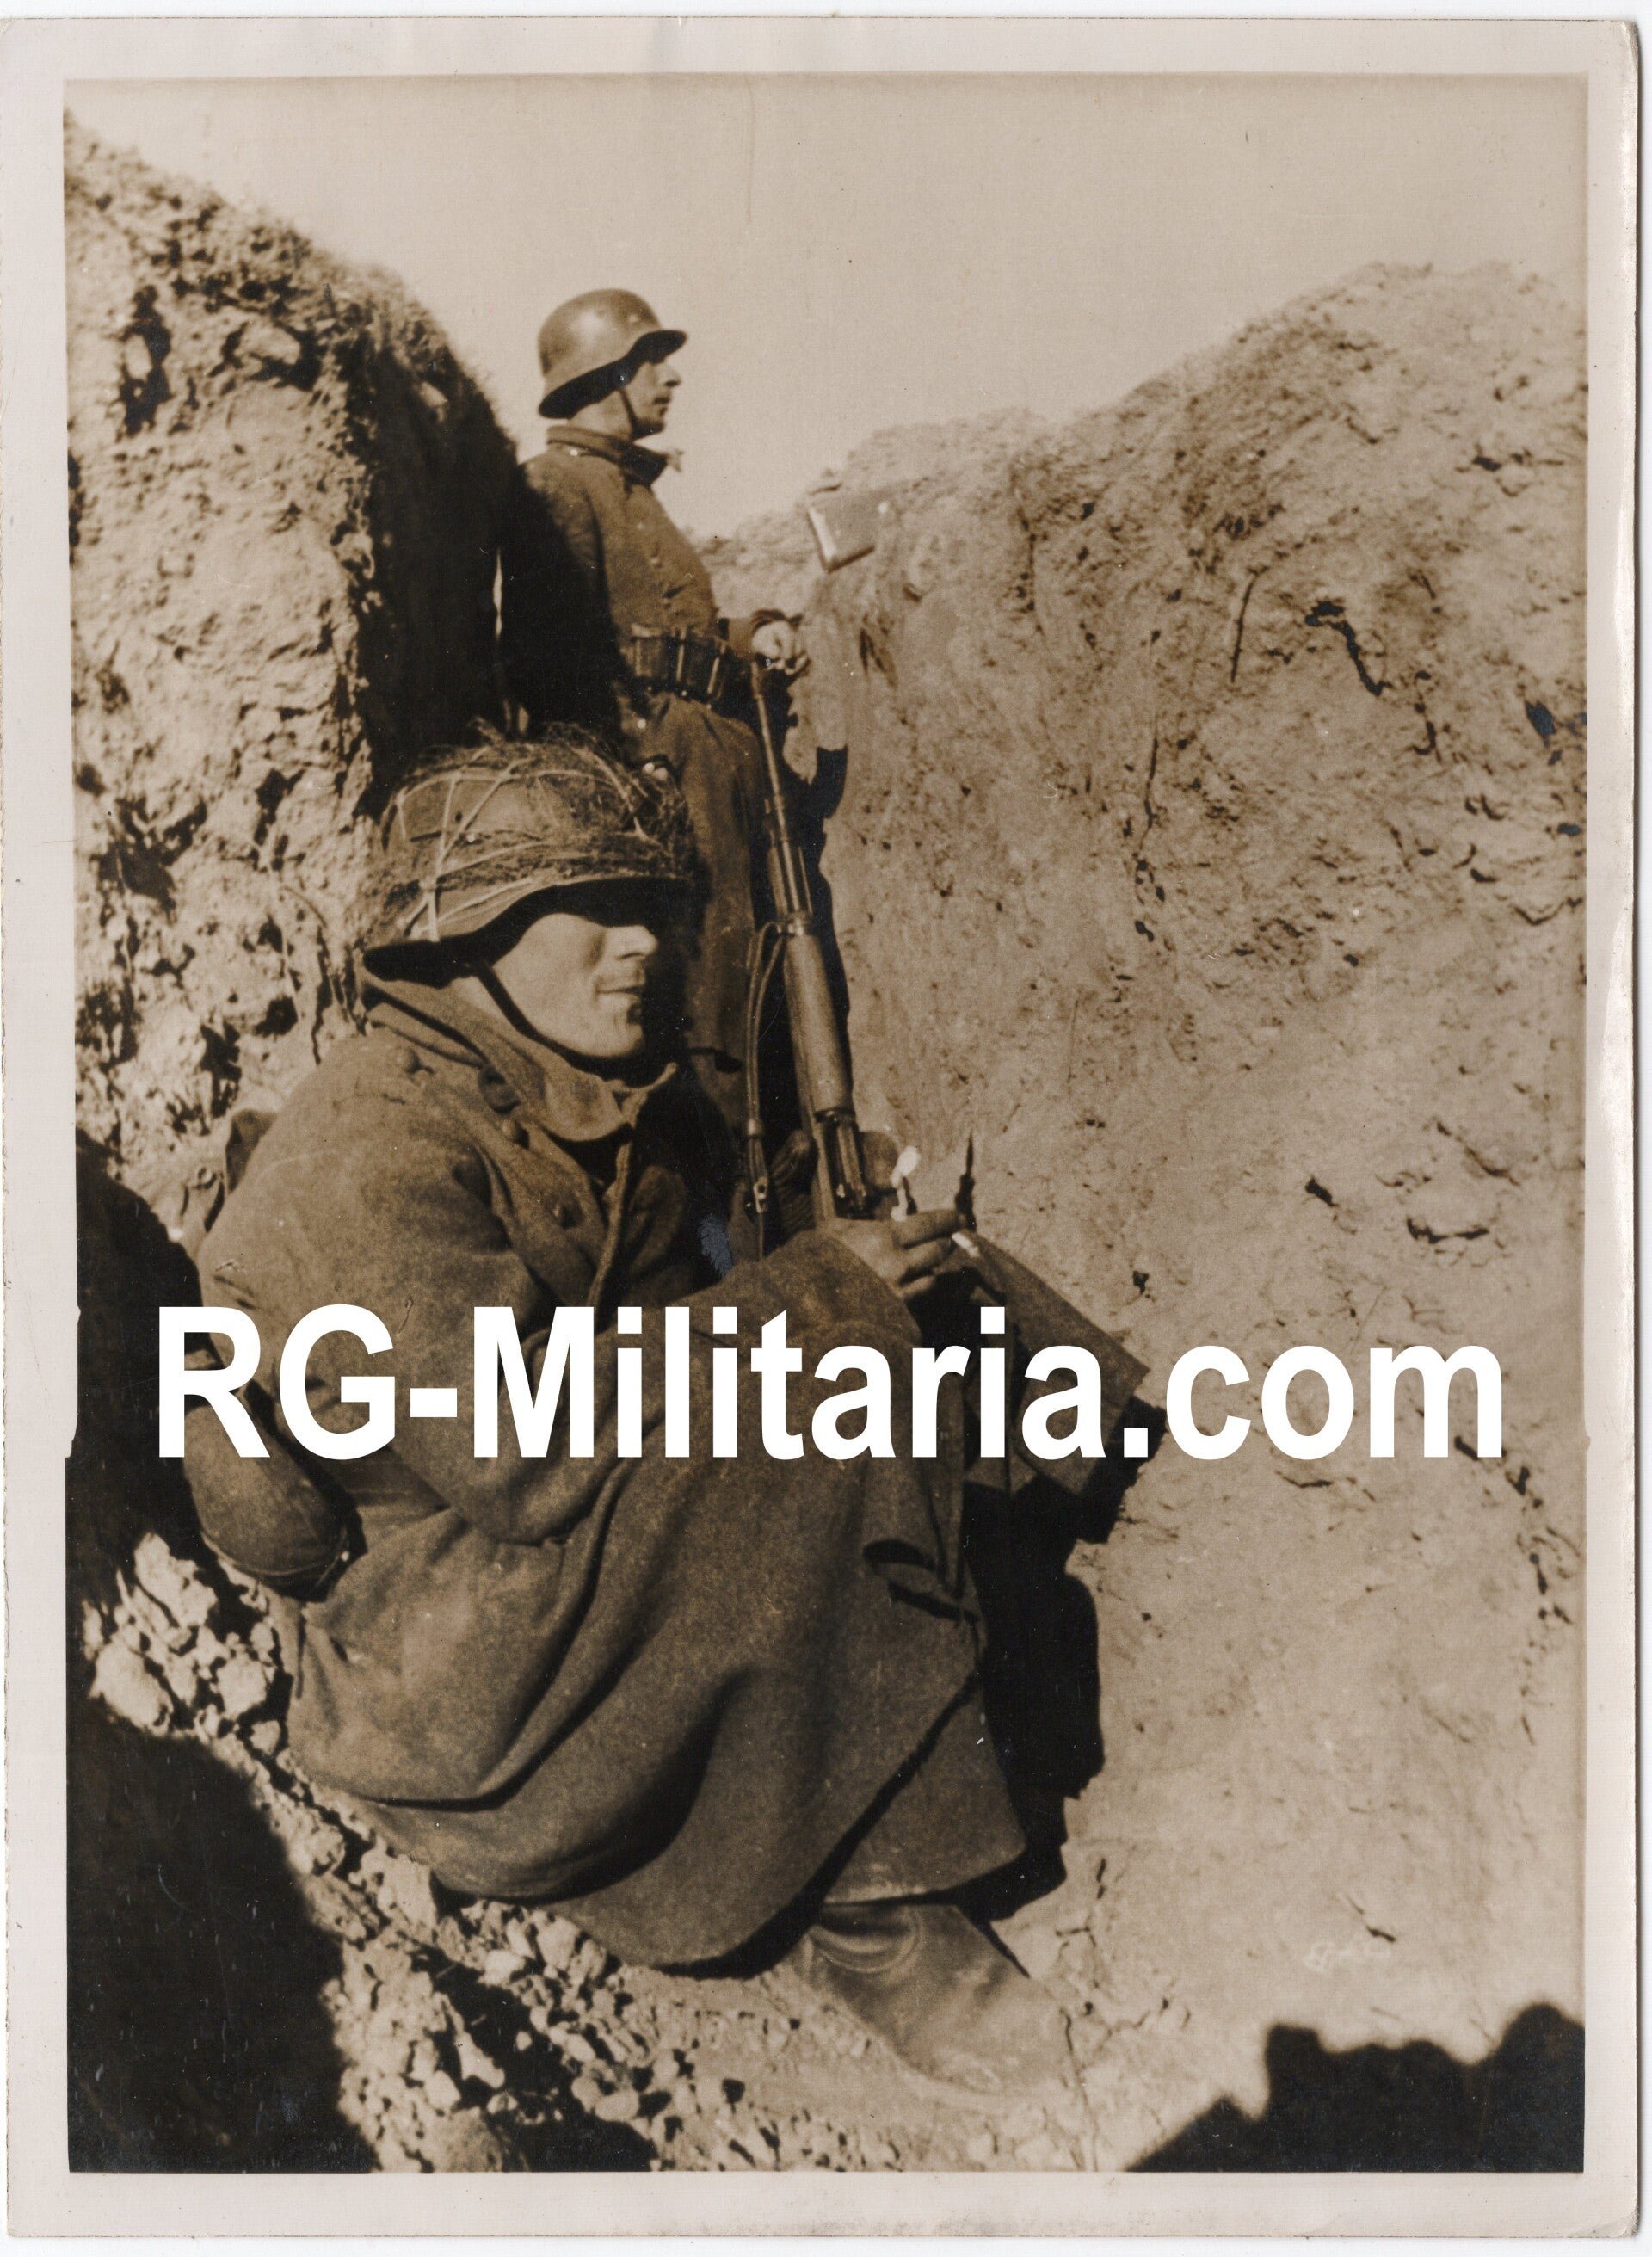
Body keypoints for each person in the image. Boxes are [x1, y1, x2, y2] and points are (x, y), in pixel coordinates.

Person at [188, 731, 1070, 2097]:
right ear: (460, 938)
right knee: (816, 1384)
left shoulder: (584, 1088)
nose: (640, 946)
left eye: (649, 906)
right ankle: (873, 1908)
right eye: (584, 907)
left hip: (567, 1568)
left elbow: (679, 1298)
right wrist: (800, 1302)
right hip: (453, 1670)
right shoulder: (366, 1151)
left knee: (925, 1303)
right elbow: (518, 1453)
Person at [498, 290, 804, 1144]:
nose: (669, 379)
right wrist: (635, 780)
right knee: (699, 1003)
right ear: (606, 374)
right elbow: (547, 660)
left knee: (745, 988)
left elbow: (675, 637)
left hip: (709, 770)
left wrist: (751, 635)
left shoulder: (631, 487)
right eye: (649, 361)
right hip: (656, 787)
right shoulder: (556, 484)